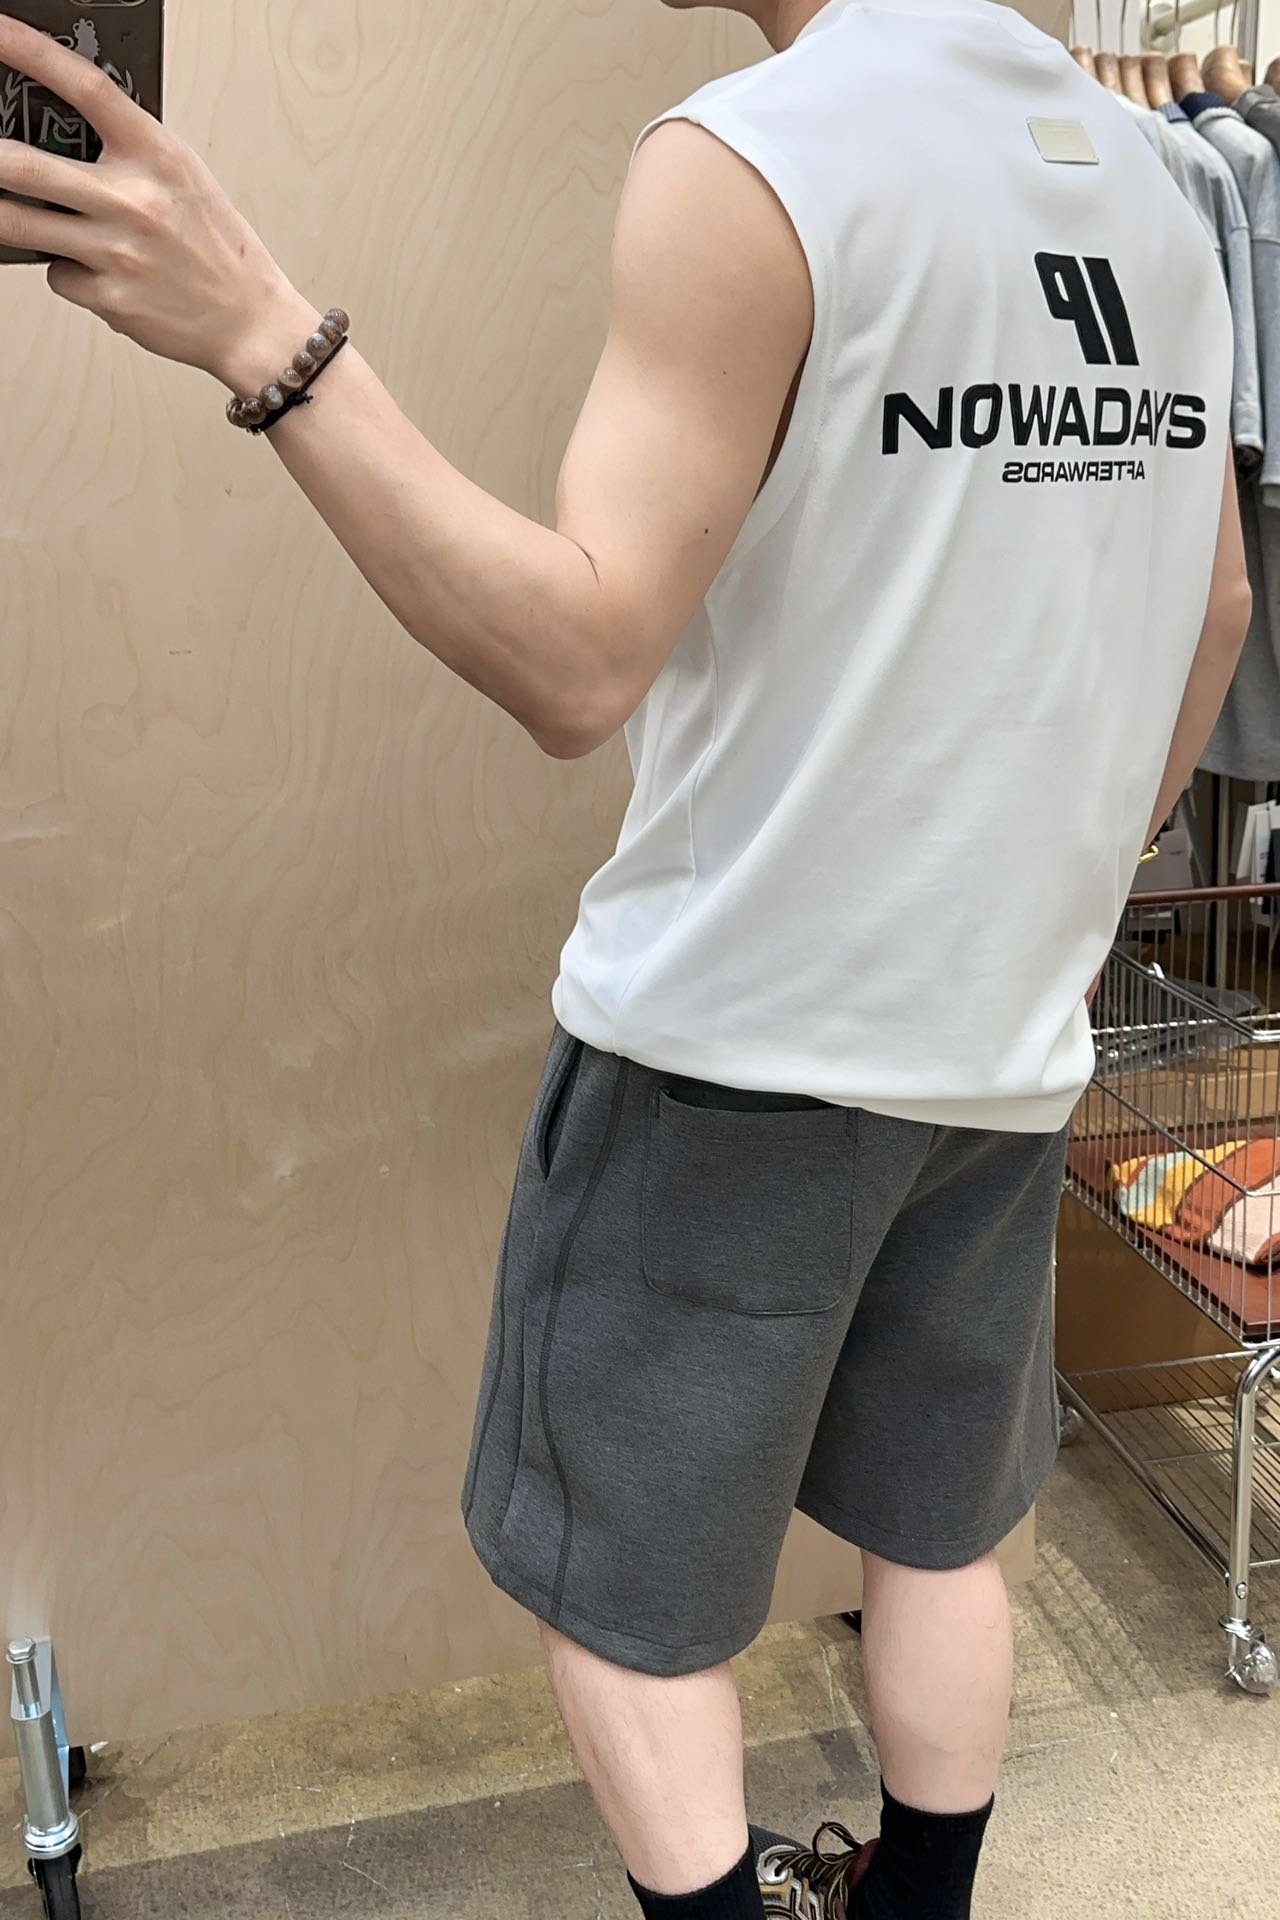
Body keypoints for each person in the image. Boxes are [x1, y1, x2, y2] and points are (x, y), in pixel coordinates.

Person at [0, 3, 1250, 1915]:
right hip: (999, 1047)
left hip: (732, 1058)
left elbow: (578, 662)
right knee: (940, 1530)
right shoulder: (1155, 185)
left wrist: (262, 328)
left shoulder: (754, 155)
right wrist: (1060, 904)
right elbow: (1215, 605)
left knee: (624, 1592)